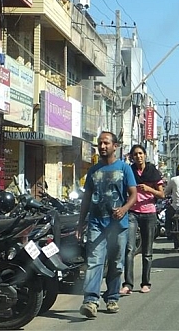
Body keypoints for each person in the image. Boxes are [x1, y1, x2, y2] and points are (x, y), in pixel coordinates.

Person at [75, 131, 137, 319]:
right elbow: (86, 198)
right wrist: (81, 223)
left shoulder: (124, 169)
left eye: (106, 143)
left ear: (115, 146)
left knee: (116, 263)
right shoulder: (93, 171)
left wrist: (124, 209)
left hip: (118, 225)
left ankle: (112, 297)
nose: (102, 147)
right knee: (94, 262)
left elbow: (133, 195)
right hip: (96, 223)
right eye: (100, 143)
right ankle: (91, 301)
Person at [121, 144, 163, 295]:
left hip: (149, 213)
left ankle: (145, 282)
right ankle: (128, 284)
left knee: (147, 251)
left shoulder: (153, 172)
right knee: (129, 249)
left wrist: (149, 189)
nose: (138, 156)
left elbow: (162, 194)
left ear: (145, 155)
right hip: (132, 212)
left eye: (140, 153)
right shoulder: (129, 171)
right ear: (132, 157)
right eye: (135, 154)